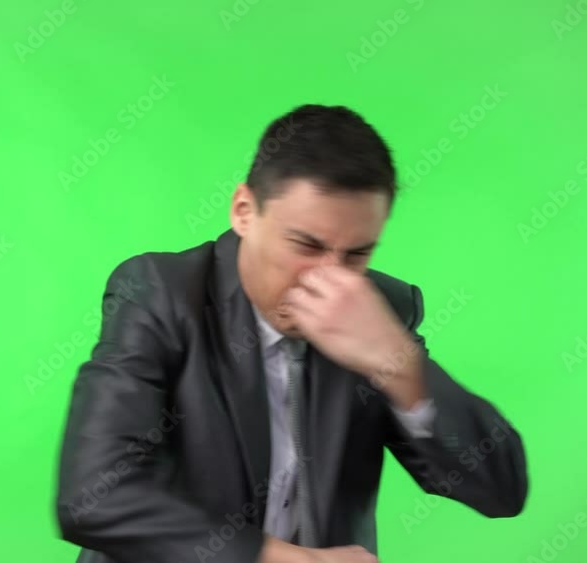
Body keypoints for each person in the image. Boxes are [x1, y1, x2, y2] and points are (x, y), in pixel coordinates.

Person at [55, 104, 528, 563]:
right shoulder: (161, 293)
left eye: (357, 254)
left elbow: (500, 491)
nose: (329, 279)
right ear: (243, 211)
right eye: (305, 244)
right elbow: (94, 496)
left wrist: (397, 361)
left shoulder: (377, 314)